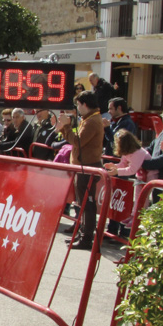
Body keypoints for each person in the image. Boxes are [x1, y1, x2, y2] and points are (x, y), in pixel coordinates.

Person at [58, 90, 105, 250]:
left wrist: (66, 126)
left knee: (87, 205)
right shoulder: (88, 119)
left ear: (85, 104)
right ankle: (82, 233)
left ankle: (86, 238)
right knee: (82, 204)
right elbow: (74, 139)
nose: (77, 108)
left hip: (88, 167)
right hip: (83, 167)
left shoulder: (92, 121)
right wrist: (65, 129)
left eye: (78, 104)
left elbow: (77, 142)